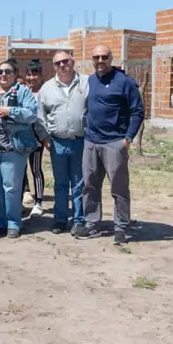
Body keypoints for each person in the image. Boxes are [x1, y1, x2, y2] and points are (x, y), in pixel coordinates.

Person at [75, 45, 144, 245]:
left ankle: (121, 227)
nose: (100, 61)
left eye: (104, 57)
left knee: (119, 188)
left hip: (115, 143)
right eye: (96, 57)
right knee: (90, 186)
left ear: (111, 58)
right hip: (91, 142)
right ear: (91, 60)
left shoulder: (124, 82)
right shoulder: (91, 80)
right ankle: (92, 224)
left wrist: (128, 139)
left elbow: (138, 112)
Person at [0, 59, 39, 239]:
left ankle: (14, 223)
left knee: (12, 187)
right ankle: (1, 221)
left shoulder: (23, 93)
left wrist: (11, 111)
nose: (3, 75)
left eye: (7, 71)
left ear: (15, 74)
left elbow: (32, 114)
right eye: (0, 72)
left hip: (13, 148)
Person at [38, 50, 89, 235]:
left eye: (65, 61)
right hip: (56, 143)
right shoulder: (47, 88)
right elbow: (40, 116)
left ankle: (79, 220)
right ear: (54, 66)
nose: (62, 65)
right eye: (58, 63)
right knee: (60, 183)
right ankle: (60, 219)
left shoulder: (86, 83)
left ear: (72, 62)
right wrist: (44, 137)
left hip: (80, 141)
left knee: (79, 183)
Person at [23, 60, 48, 219]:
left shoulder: (44, 93)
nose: (31, 78)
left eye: (35, 74)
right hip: (21, 138)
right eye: (29, 74)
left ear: (40, 76)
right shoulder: (22, 91)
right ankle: (20, 199)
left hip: (37, 139)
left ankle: (38, 202)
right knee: (19, 170)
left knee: (36, 169)